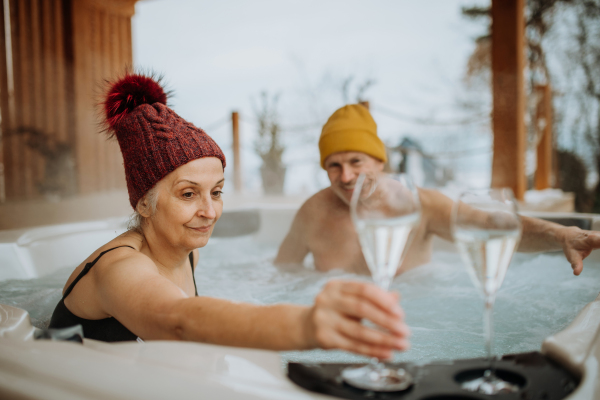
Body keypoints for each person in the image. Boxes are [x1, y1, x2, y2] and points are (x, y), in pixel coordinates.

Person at [48, 74, 410, 360]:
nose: (209, 211)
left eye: (217, 192)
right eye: (189, 194)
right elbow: (177, 322)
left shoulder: (189, 251)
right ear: (143, 203)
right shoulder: (119, 269)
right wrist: (304, 324)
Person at [275, 104, 600, 275]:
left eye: (356, 161)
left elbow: (492, 226)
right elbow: (281, 274)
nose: (345, 176)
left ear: (379, 161)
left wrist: (560, 236)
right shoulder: (312, 213)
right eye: (334, 164)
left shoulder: (420, 205)